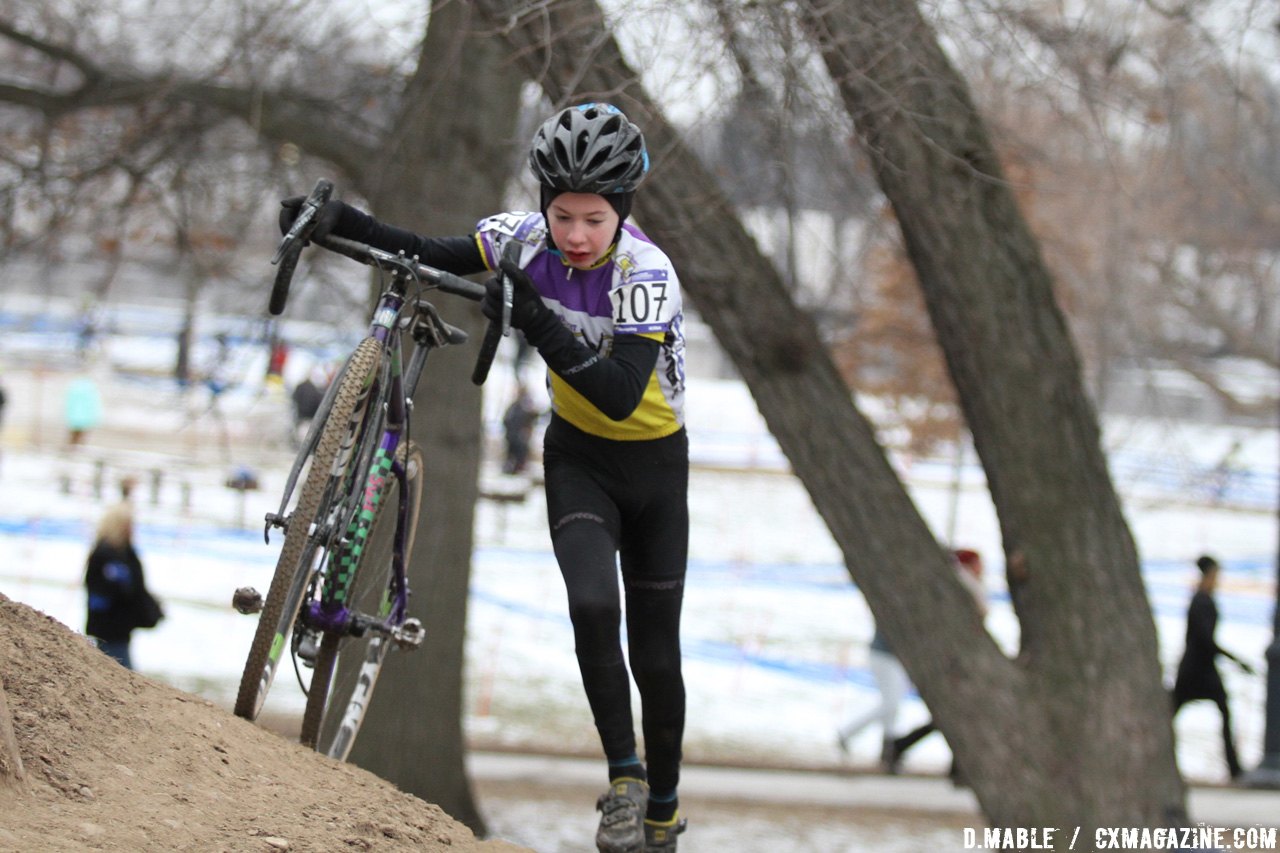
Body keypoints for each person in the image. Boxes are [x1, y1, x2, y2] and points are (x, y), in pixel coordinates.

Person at [279, 103, 689, 852]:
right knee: (594, 606)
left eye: (594, 219)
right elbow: (420, 248)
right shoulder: (519, 241)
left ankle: (663, 805)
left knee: (655, 654)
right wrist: (338, 221)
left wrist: (531, 314)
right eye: (563, 214)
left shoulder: (646, 273)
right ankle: (625, 781)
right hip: (580, 461)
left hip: (656, 466)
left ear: (621, 212)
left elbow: (619, 391)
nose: (575, 234)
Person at [884, 548, 989, 779]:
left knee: (958, 716)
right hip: (956, 662)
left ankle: (953, 766)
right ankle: (956, 768)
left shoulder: (958, 585)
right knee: (959, 716)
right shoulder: (964, 585)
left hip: (956, 660)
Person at [1171, 554, 1253, 781]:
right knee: (1171, 713)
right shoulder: (1201, 601)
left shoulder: (1203, 599)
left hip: (1202, 668)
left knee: (1222, 712)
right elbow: (1205, 640)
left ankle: (1234, 768)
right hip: (1196, 669)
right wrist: (1236, 661)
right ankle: (1233, 768)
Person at [84, 502, 163, 670]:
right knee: (119, 669)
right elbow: (104, 590)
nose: (132, 529)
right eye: (128, 525)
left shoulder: (126, 553)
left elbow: (136, 585)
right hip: (109, 626)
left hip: (122, 626)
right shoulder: (105, 554)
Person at [836, 621, 912, 773]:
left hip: (895, 657)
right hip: (883, 655)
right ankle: (847, 733)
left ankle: (888, 753)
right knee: (890, 704)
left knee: (893, 707)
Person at [501, 384, 540, 475]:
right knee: (514, 452)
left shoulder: (525, 406)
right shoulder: (516, 407)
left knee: (520, 452)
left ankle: (517, 467)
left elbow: (532, 418)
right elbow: (507, 420)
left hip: (519, 435)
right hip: (514, 435)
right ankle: (512, 467)